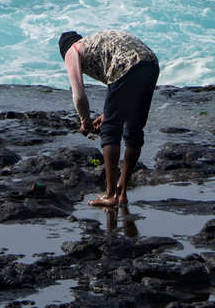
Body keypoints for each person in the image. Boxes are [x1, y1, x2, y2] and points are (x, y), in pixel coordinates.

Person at [59, 28, 159, 208]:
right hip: (150, 62)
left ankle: (110, 194)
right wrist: (106, 115)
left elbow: (79, 95)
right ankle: (122, 192)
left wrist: (85, 121)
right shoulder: (94, 44)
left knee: (110, 131)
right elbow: (124, 92)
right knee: (134, 130)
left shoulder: (72, 51)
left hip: (126, 64)